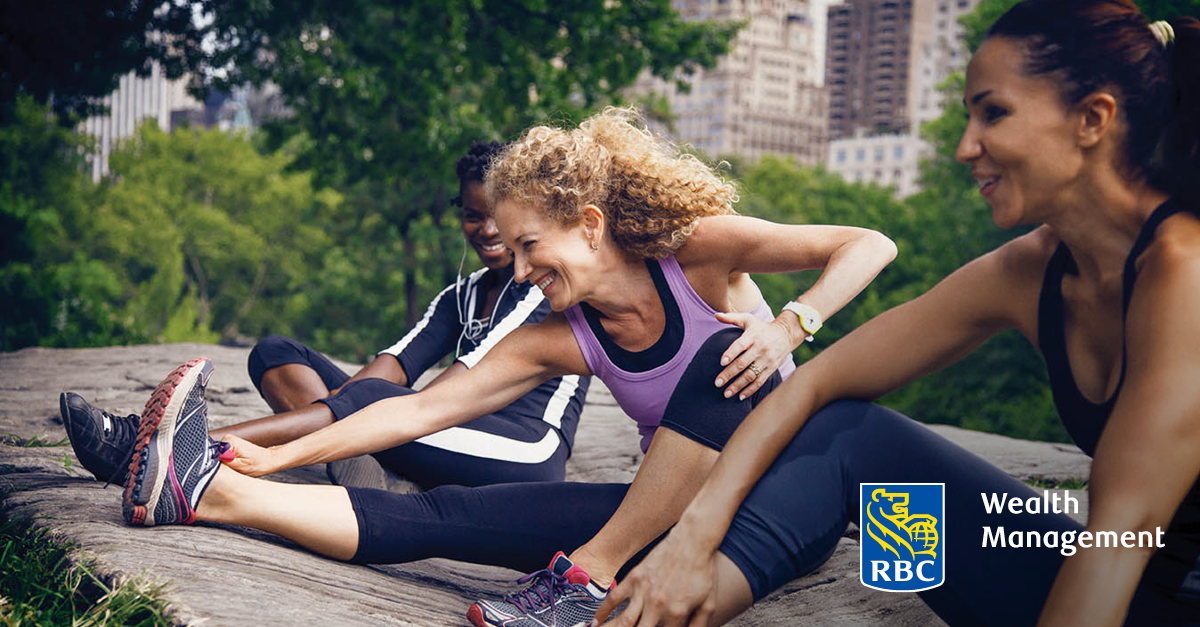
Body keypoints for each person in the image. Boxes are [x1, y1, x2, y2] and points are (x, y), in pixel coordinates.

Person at [113, 107, 897, 627]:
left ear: (590, 226)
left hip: (788, 505)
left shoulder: (700, 252)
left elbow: (868, 243)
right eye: (509, 249)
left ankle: (584, 578)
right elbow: (415, 409)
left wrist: (793, 324)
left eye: (530, 246)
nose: (518, 270)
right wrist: (274, 455)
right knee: (447, 516)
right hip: (672, 525)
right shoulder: (562, 333)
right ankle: (210, 494)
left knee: (731, 354)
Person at [594, 2, 1200, 626]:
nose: (966, 147)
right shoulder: (1032, 270)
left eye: (994, 113)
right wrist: (691, 541)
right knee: (849, 436)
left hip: (1143, 589)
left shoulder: (1185, 270)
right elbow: (819, 385)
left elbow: (1120, 537)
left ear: (1092, 119)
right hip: (1110, 574)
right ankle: (651, 610)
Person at [60, 141, 591, 491]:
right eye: (473, 216)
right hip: (444, 431)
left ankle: (169, 450)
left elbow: (452, 395)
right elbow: (394, 366)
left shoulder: (542, 290)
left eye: (499, 218)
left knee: (373, 403)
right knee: (276, 352)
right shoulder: (462, 295)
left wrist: (355, 413)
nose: (487, 231)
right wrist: (345, 413)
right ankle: (357, 470)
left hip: (525, 452)